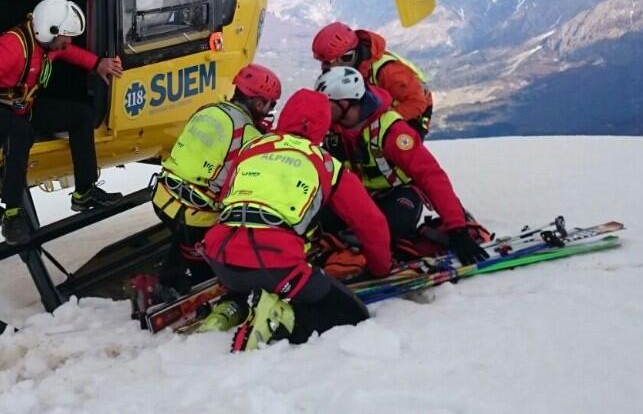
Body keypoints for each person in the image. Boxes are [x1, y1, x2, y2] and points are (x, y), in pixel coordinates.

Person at [200, 89, 393, 351]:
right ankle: (281, 319)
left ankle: (228, 310)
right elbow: (371, 223)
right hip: (275, 263)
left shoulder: (252, 149)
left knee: (253, 279)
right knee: (352, 313)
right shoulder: (326, 164)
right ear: (323, 126)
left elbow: (227, 199)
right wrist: (381, 267)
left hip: (219, 257)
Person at [0, 0, 125, 244]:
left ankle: (84, 192)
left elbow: (69, 52)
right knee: (21, 132)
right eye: (66, 36)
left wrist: (97, 64)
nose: (68, 42)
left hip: (22, 106)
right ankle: (12, 214)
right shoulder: (10, 49)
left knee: (81, 115)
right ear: (49, 31)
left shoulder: (48, 45)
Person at [315, 66, 488, 267]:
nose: (322, 110)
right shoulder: (332, 131)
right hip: (359, 195)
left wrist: (457, 229)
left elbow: (429, 175)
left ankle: (447, 226)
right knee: (321, 221)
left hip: (398, 194)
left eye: (327, 104)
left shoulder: (392, 131)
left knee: (390, 229)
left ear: (345, 102)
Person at [151, 64, 282, 295]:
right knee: (213, 247)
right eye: (271, 104)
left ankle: (169, 277)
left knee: (183, 234)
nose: (270, 109)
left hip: (162, 197)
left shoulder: (209, 110)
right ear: (259, 103)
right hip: (195, 214)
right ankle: (198, 286)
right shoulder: (248, 133)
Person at [312, 21, 433, 137]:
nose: (324, 68)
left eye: (328, 63)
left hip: (413, 113)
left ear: (347, 57)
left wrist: (380, 124)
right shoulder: (355, 68)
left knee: (390, 148)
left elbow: (417, 103)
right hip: (383, 108)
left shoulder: (387, 71)